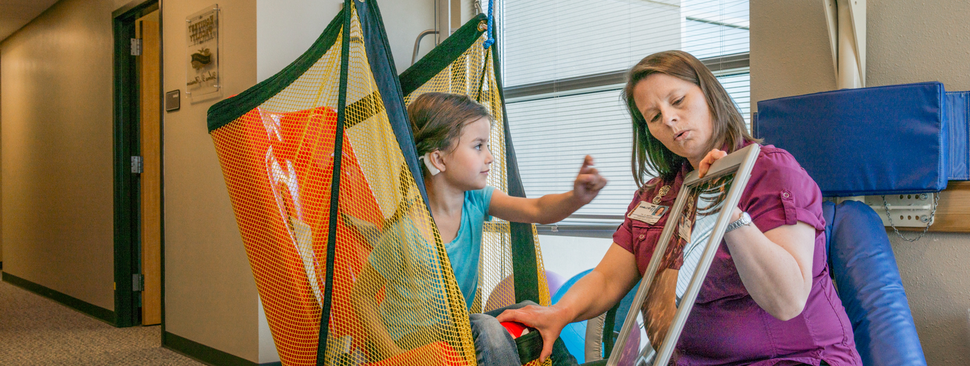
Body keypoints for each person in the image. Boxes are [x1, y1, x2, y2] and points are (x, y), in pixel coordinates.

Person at [497, 50, 863, 366]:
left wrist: (728, 212)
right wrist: (560, 313)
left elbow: (787, 301)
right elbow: (607, 278)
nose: (669, 119)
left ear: (709, 95)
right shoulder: (656, 195)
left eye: (678, 101)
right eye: (653, 117)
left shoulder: (770, 170)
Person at [352, 92, 606, 366]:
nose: (490, 157)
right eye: (478, 146)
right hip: (410, 341)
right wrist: (396, 357)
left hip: (456, 328)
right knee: (485, 326)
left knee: (528, 311)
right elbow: (361, 296)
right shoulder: (407, 233)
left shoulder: (476, 200)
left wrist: (575, 198)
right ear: (439, 160)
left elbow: (537, 210)